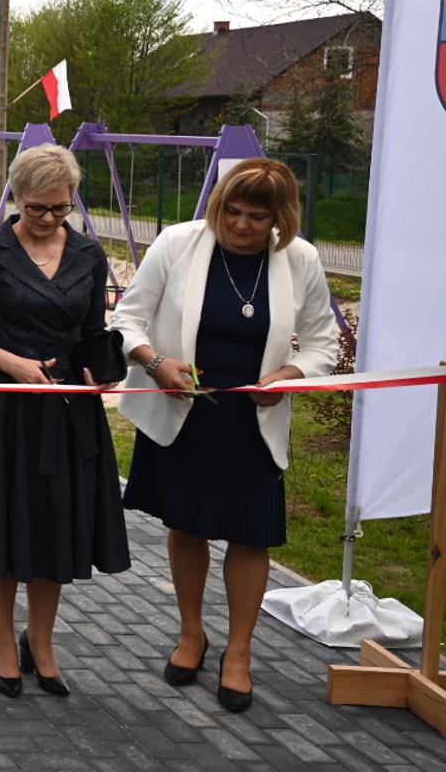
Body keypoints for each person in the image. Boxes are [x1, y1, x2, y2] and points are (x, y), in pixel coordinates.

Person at [113, 158, 339, 713]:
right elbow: (128, 319)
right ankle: (192, 634)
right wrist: (156, 363)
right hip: (184, 411)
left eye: (256, 218)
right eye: (232, 212)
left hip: (252, 423)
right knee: (186, 526)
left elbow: (322, 345)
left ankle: (239, 652)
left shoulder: (301, 259)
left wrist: (289, 376)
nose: (240, 225)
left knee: (251, 535)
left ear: (279, 218)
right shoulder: (178, 243)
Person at [0, 145, 132, 698]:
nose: (48, 219)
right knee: (1, 527)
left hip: (70, 411)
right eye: (36, 208)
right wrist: (15, 364)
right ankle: (3, 639)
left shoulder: (91, 256)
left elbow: (94, 329)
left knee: (55, 527)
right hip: (0, 409)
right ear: (17, 199)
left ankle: (41, 641)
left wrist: (106, 368)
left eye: (60, 208)